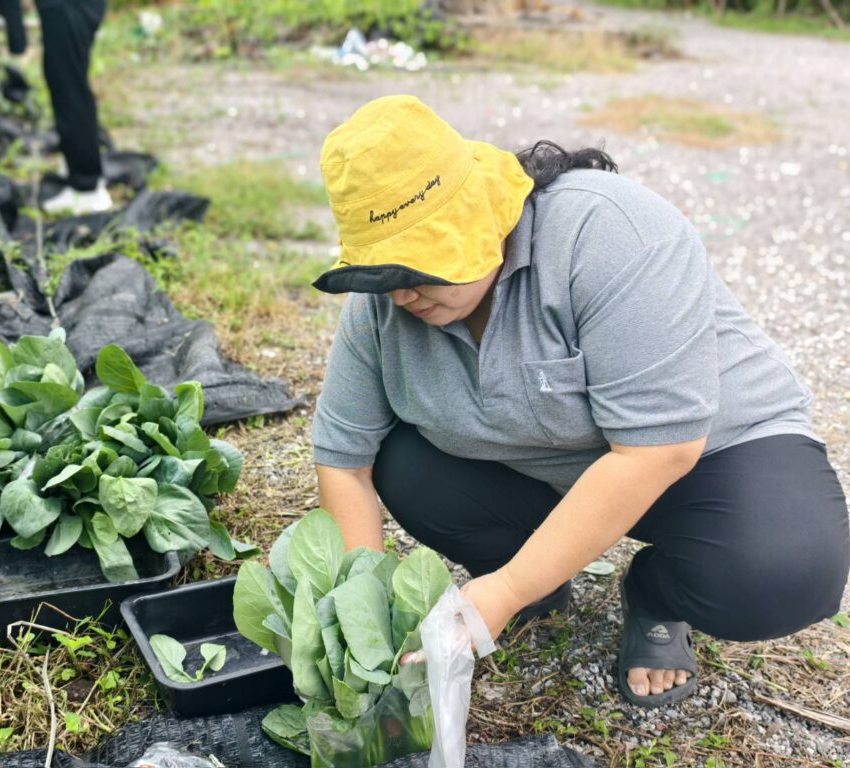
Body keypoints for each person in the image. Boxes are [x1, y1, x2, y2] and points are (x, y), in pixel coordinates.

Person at [310, 94, 849, 707]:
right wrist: (363, 613)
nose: (402, 295)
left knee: (783, 570)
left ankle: (655, 594)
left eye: (420, 268)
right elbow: (343, 460)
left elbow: (658, 450)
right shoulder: (383, 310)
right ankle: (538, 578)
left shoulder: (609, 233)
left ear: (485, 217)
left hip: (705, 460)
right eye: (382, 274)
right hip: (552, 468)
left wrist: (501, 593)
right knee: (402, 461)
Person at [0, 0, 112, 214]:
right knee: (66, 83)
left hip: (68, 7)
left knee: (70, 90)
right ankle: (78, 165)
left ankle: (87, 187)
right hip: (71, 7)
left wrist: (16, 41)